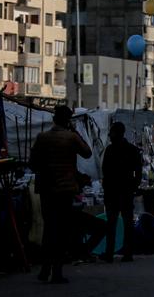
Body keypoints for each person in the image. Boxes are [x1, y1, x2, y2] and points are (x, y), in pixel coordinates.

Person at [30, 105, 91, 283]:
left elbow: (33, 163)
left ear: (53, 119)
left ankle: (44, 269)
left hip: (46, 189)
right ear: (68, 120)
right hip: (64, 190)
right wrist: (75, 132)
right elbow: (87, 153)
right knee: (62, 230)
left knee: (49, 229)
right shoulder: (71, 138)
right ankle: (56, 271)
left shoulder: (42, 138)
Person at [100, 121, 142, 263]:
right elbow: (138, 171)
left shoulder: (110, 150)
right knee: (126, 223)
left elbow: (105, 172)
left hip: (114, 192)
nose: (110, 135)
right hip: (125, 191)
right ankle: (127, 253)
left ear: (117, 133)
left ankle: (110, 253)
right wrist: (134, 186)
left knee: (112, 223)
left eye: (111, 132)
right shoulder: (132, 150)